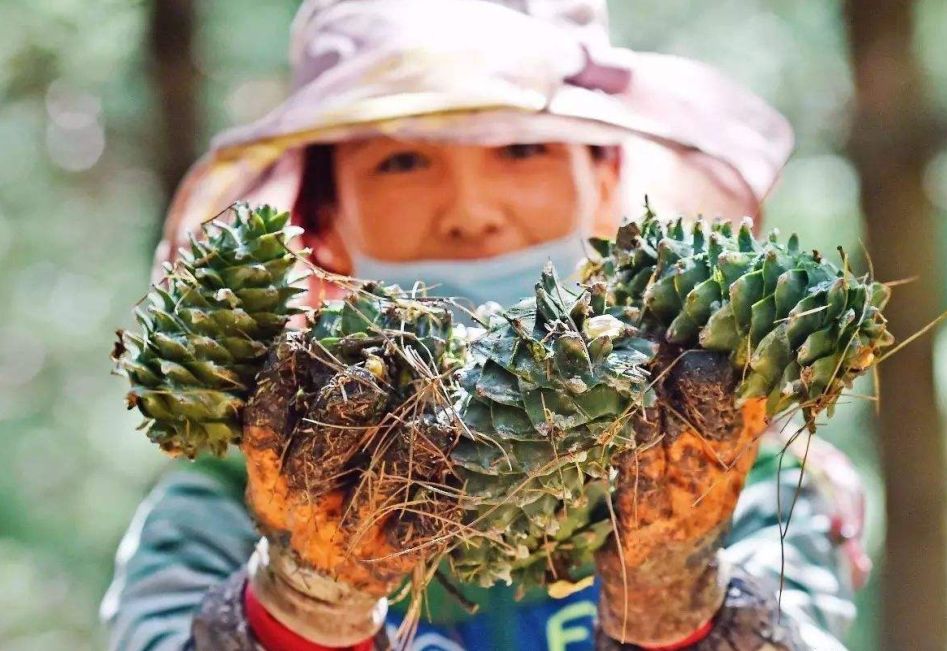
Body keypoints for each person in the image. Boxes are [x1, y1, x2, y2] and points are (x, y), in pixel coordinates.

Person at [101, 1, 869, 649]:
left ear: (604, 186)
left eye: (523, 149)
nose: (471, 212)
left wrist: (674, 595)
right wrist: (301, 601)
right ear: (321, 220)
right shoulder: (231, 499)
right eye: (402, 162)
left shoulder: (735, 475)